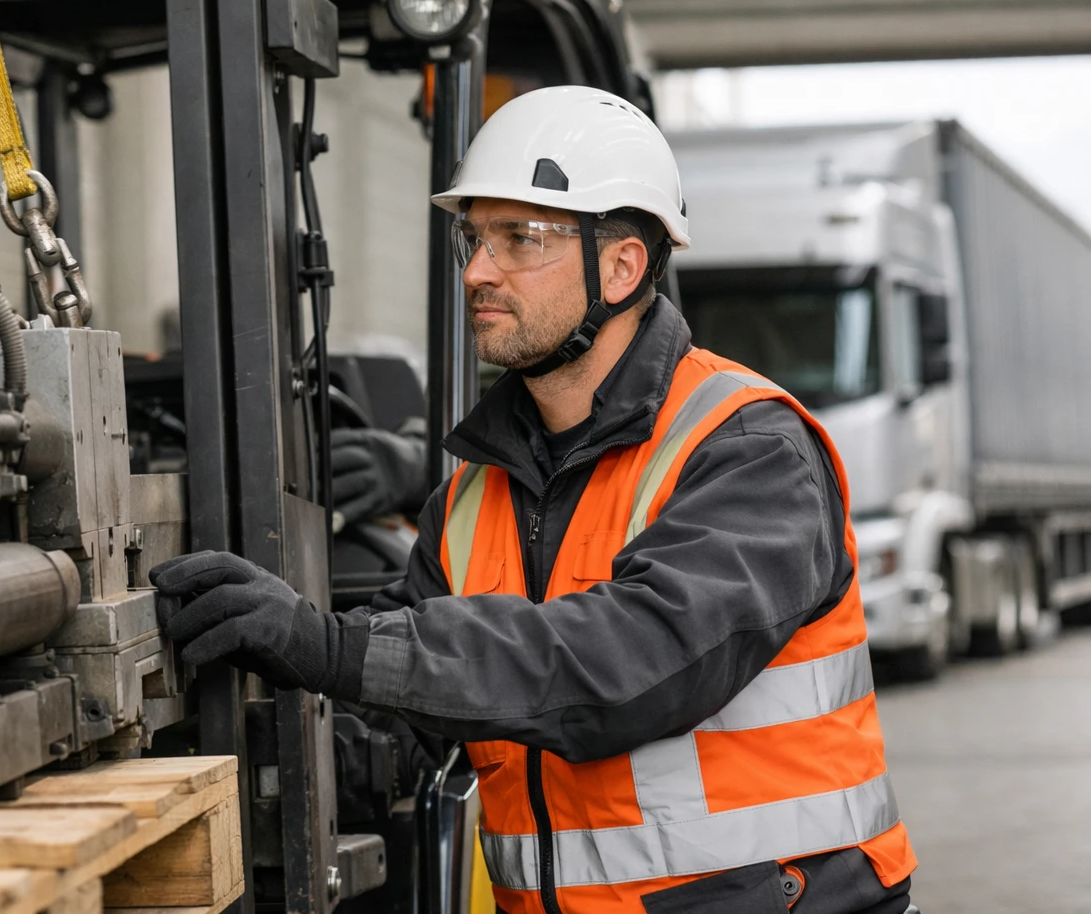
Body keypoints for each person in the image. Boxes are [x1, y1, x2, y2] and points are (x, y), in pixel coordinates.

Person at [151, 86, 917, 914]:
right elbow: (415, 724)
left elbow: (622, 666)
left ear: (621, 266)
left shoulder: (746, 451)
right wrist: (232, 759)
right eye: (474, 238)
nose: (479, 269)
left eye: (521, 238)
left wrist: (332, 644)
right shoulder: (474, 496)